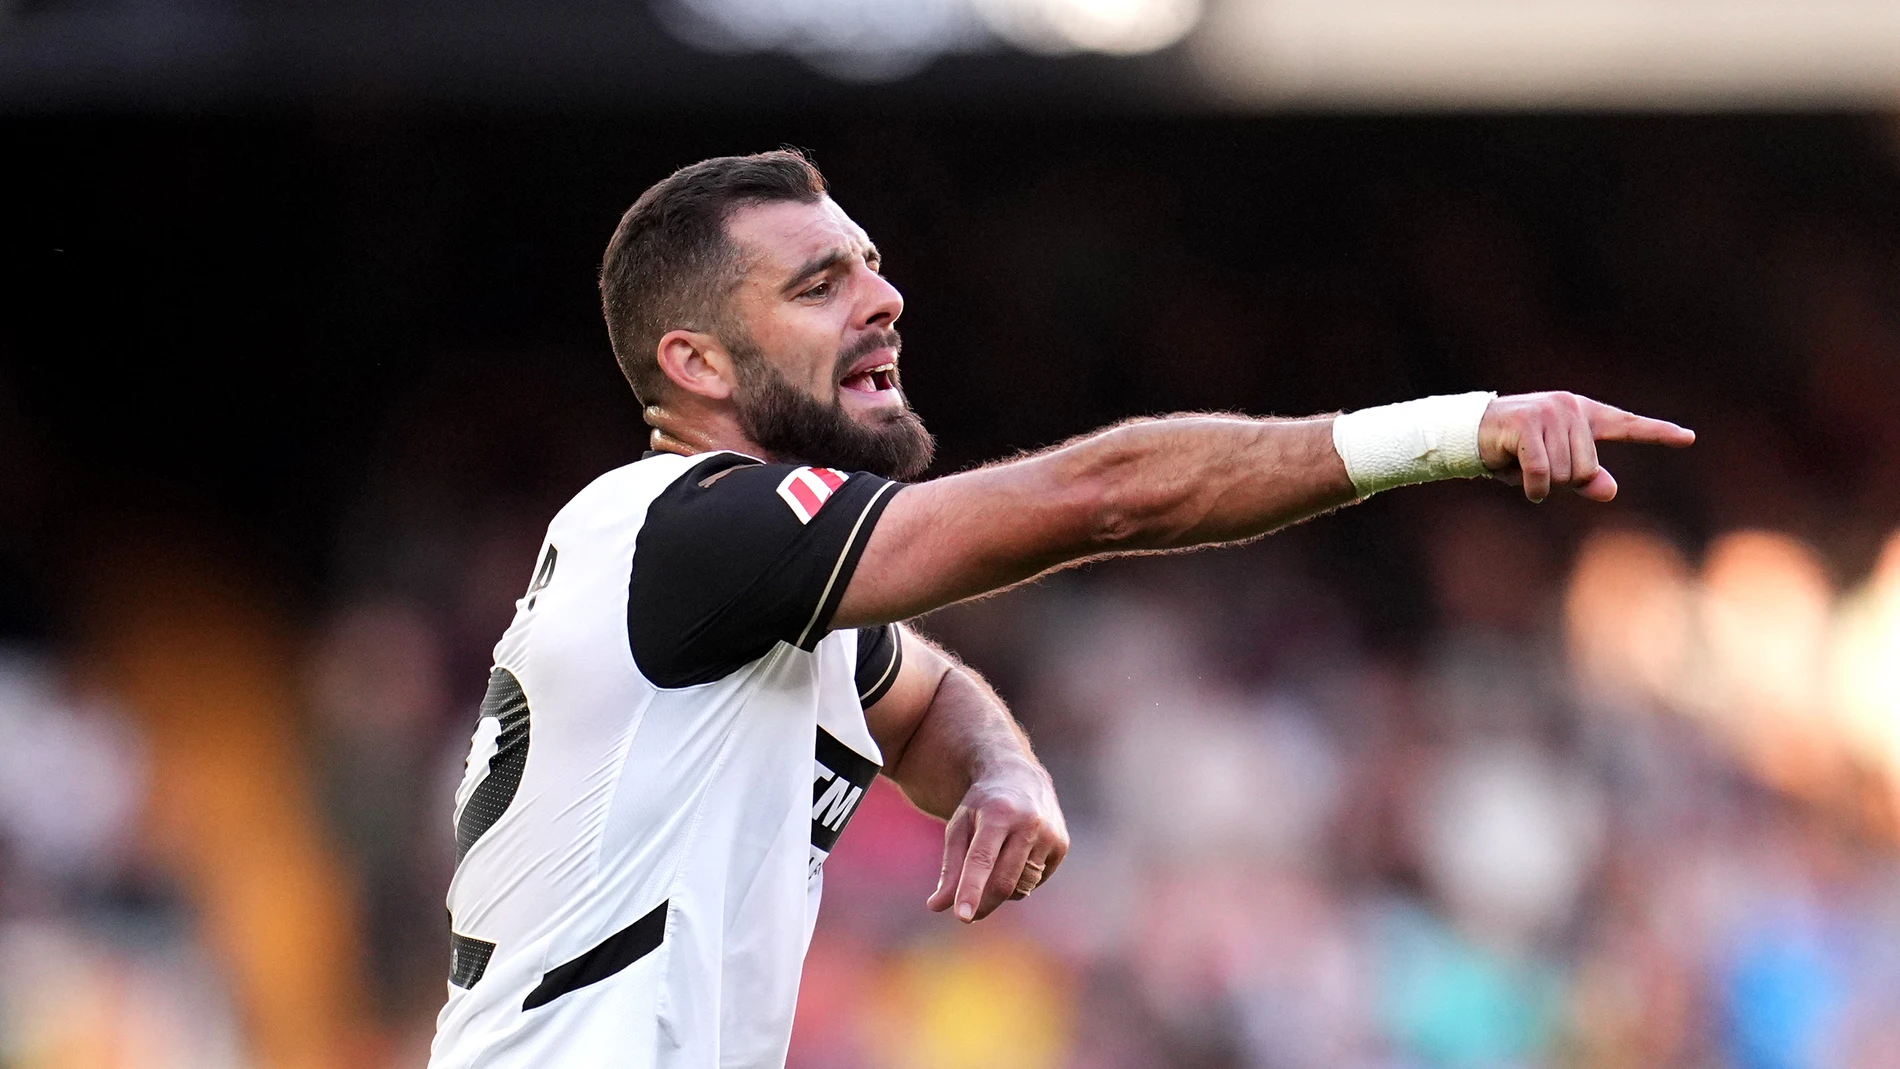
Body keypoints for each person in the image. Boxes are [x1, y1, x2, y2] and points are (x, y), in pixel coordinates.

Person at [427, 149, 1694, 1069]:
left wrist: (1002, 769)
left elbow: (925, 693)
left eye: (872, 266)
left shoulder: (750, 587)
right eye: (819, 285)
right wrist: (1449, 432)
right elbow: (1107, 495)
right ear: (693, 366)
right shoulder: (690, 523)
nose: (884, 298)